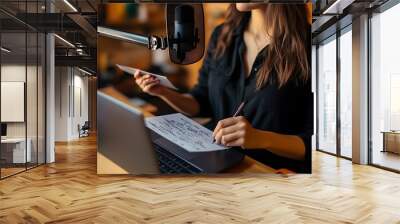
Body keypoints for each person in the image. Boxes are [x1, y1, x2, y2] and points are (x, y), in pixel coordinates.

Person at [134, 3, 313, 173]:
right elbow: (201, 101)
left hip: (265, 171)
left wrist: (260, 138)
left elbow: (313, 144)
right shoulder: (222, 35)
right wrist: (163, 92)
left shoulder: (309, 45)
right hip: (216, 163)